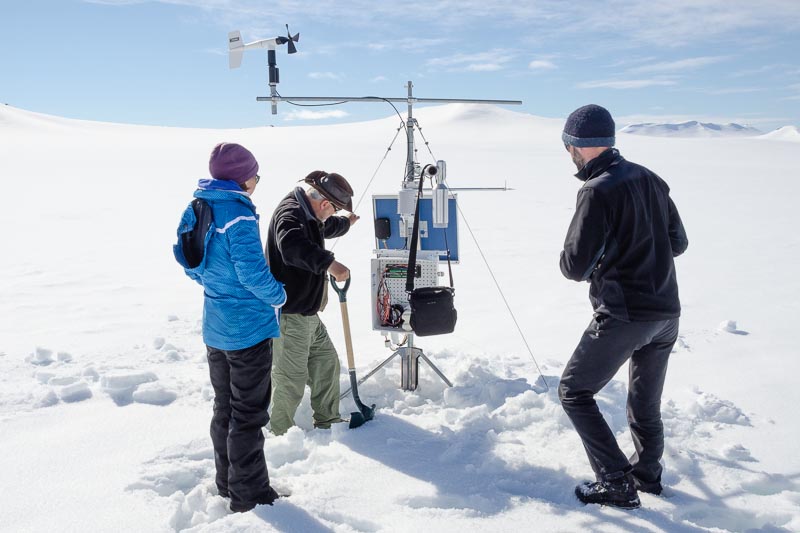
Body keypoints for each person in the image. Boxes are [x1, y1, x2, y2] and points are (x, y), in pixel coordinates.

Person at [557, 105, 689, 509]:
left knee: (574, 392)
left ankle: (616, 482)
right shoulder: (650, 178)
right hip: (666, 312)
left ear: (576, 146)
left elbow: (573, 266)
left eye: (568, 148)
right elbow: (678, 243)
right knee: (644, 401)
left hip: (624, 315)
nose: (569, 156)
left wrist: (604, 259)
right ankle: (647, 475)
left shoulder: (596, 190)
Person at [173, 142, 287, 513]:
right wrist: (279, 295)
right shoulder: (238, 214)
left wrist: (215, 285)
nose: (256, 180)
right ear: (243, 178)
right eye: (255, 173)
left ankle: (227, 484)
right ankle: (249, 495)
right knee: (249, 414)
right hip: (247, 330)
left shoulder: (199, 206)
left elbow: (187, 259)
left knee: (225, 407)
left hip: (216, 327)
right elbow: (252, 273)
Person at [266, 170, 359, 435]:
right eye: (334, 209)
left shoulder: (308, 212)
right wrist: (329, 263)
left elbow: (322, 227)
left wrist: (345, 223)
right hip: (290, 315)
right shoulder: (291, 213)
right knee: (290, 379)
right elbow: (292, 245)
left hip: (308, 315)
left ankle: (327, 420)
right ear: (324, 203)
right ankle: (280, 433)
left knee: (327, 364)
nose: (332, 214)